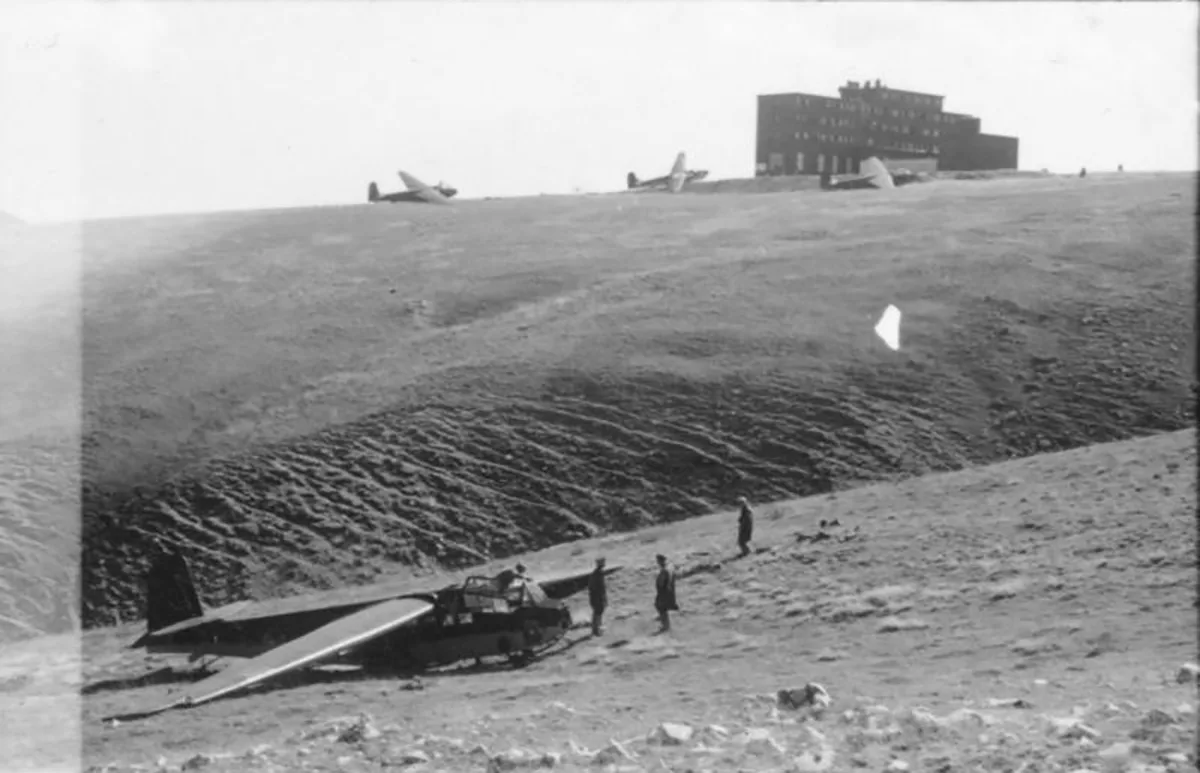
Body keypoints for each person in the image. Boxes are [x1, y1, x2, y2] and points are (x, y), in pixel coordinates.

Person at [654, 554, 678, 633]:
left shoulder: (664, 570)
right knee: (662, 607)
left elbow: (661, 583)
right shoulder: (670, 567)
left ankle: (665, 626)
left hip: (664, 592)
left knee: (661, 607)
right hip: (670, 590)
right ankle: (665, 623)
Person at [588, 557, 608, 636]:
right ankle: (597, 630)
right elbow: (601, 588)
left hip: (594, 596)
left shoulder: (595, 573)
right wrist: (603, 597)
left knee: (597, 613)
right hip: (597, 596)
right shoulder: (599, 574)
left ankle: (595, 629)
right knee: (598, 613)